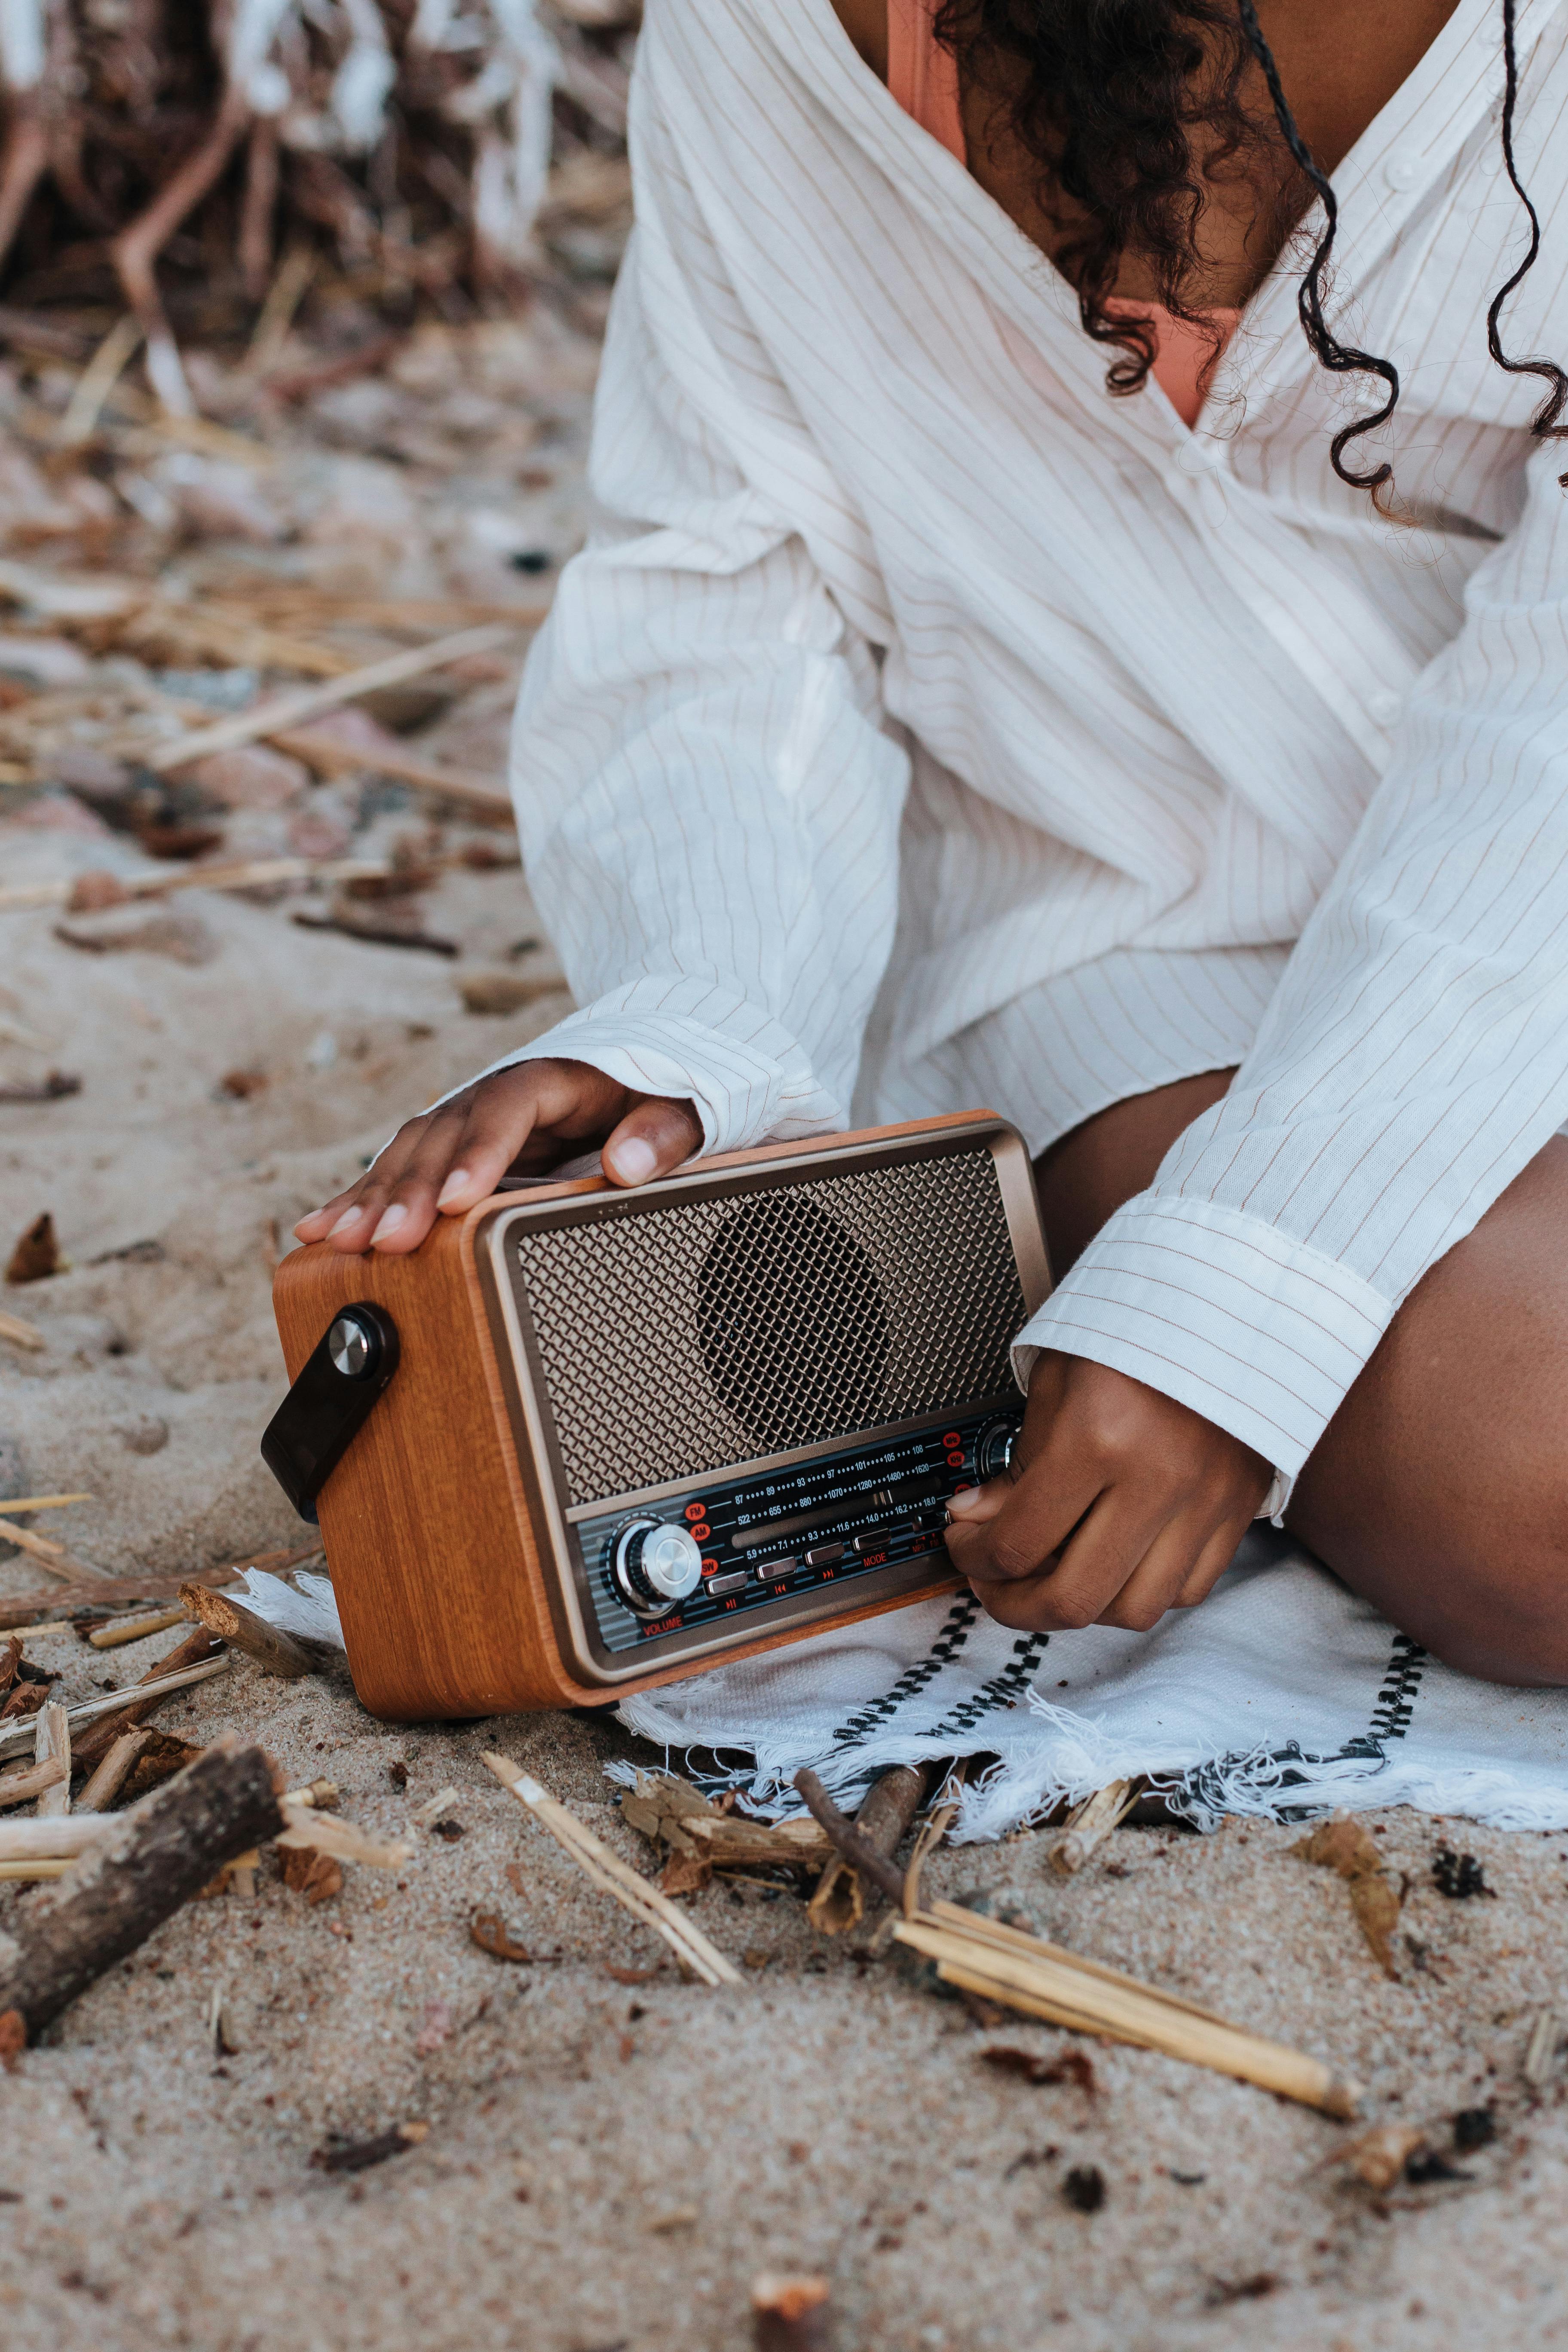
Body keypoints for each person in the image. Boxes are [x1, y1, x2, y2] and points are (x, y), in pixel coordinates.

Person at [297, 0, 1568, 1685]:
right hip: (1129, 938)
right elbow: (732, 586)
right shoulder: (780, 34)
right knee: (1531, 1479)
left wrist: (1268, 1266)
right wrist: (696, 1022)